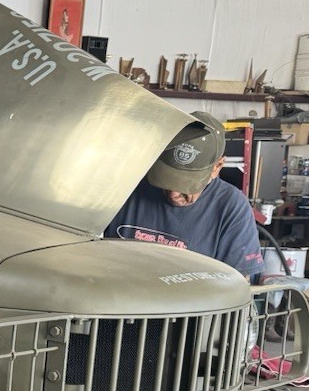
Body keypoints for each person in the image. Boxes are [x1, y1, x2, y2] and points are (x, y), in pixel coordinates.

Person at [105, 111, 264, 281]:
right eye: (166, 180)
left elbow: (237, 285)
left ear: (217, 167)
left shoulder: (232, 207)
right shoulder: (129, 186)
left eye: (186, 185)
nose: (173, 194)